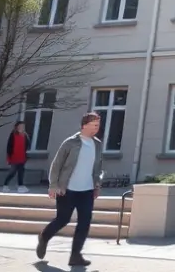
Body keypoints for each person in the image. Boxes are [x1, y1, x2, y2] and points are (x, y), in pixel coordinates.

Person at [36, 113, 103, 268]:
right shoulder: (71, 142)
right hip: (68, 189)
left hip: (87, 190)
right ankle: (44, 237)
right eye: (94, 125)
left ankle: (75, 255)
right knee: (63, 219)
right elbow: (57, 164)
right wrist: (53, 185)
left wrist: (97, 185)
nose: (96, 128)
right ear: (84, 125)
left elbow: (98, 167)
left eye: (98, 125)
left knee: (84, 222)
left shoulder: (97, 144)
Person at [2, 121, 30, 193]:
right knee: (12, 172)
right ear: (17, 127)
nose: (22, 128)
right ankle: (5, 185)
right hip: (14, 157)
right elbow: (9, 146)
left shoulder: (25, 135)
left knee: (21, 172)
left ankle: (20, 186)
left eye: (23, 126)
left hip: (22, 157)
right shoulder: (13, 135)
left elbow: (27, 145)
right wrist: (9, 156)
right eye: (20, 126)